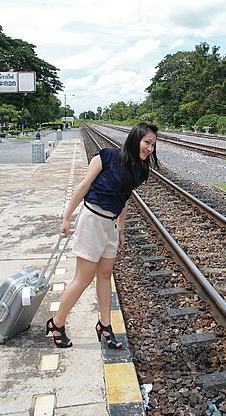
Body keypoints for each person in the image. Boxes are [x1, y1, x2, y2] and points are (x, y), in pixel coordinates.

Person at [45, 122, 159, 348]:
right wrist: (67, 217)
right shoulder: (106, 156)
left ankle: (105, 325)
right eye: (147, 142)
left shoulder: (140, 170)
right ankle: (57, 323)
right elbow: (84, 185)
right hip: (91, 220)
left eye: (153, 145)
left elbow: (124, 199)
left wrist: (121, 229)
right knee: (83, 278)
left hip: (109, 226)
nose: (150, 149)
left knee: (105, 275)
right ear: (135, 139)